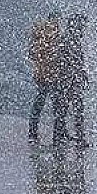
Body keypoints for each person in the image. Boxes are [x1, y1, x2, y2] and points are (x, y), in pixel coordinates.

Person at [28, 10, 67, 145]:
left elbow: (32, 54)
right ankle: (59, 136)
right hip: (53, 75)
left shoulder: (38, 34)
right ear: (55, 19)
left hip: (40, 74)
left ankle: (32, 133)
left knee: (38, 104)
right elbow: (57, 55)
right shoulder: (54, 34)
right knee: (58, 106)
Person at [61, 13, 89, 148]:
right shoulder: (72, 39)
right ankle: (79, 136)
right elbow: (73, 60)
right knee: (76, 108)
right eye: (82, 25)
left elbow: (72, 59)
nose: (84, 28)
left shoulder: (69, 37)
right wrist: (79, 73)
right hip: (70, 80)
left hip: (68, 79)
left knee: (66, 108)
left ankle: (65, 134)